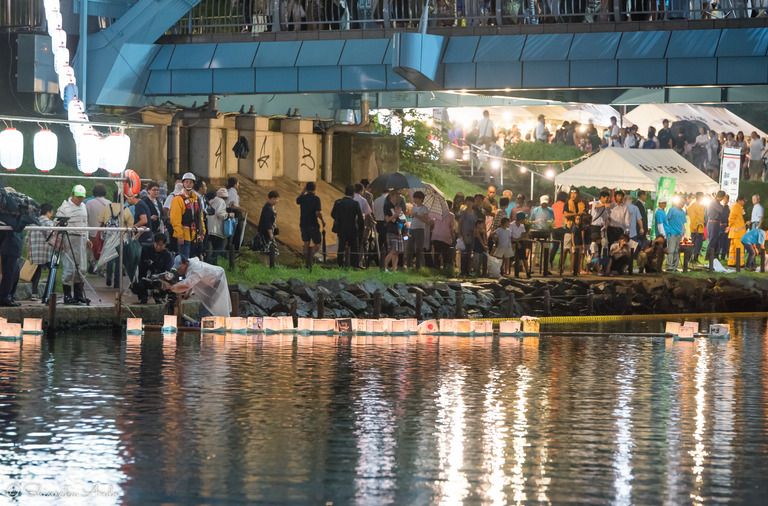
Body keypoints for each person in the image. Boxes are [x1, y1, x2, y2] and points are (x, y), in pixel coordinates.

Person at [55, 185, 92, 305]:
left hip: (81, 239)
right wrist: (60, 240)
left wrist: (86, 238)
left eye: (82, 197)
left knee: (81, 268)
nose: (79, 200)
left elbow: (85, 223)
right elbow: (56, 225)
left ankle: (78, 295)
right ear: (72, 195)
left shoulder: (84, 207)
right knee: (69, 267)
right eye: (77, 197)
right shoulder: (64, 208)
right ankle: (67, 295)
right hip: (69, 238)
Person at [164, 254, 232, 318]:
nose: (178, 270)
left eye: (179, 267)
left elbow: (187, 284)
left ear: (186, 264)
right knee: (207, 307)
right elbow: (193, 282)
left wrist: (171, 287)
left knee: (206, 307)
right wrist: (188, 293)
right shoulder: (191, 266)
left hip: (217, 280)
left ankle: (208, 326)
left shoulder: (195, 269)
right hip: (210, 282)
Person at [99, 191, 135, 289]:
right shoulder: (125, 209)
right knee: (119, 260)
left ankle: (108, 277)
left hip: (109, 237)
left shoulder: (107, 207)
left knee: (110, 258)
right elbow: (130, 224)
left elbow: (100, 219)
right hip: (120, 238)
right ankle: (117, 281)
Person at [170, 172, 206, 258]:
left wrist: (202, 232)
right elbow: (175, 219)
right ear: (183, 183)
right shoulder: (178, 199)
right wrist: (179, 235)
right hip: (184, 234)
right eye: (186, 182)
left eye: (190, 182)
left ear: (193, 184)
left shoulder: (196, 199)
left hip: (194, 235)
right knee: (184, 261)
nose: (188, 184)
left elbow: (200, 217)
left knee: (193, 261)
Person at [132, 233, 174, 304]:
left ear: (165, 244)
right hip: (144, 277)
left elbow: (169, 271)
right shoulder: (145, 249)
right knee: (136, 284)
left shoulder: (168, 255)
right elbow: (134, 245)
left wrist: (166, 281)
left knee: (166, 284)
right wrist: (139, 233)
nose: (158, 247)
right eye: (157, 244)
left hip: (159, 279)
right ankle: (143, 296)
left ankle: (158, 296)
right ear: (153, 242)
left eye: (161, 245)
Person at [26, 203, 54, 300]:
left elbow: (27, 238)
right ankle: (49, 293)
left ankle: (34, 293)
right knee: (52, 270)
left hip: (35, 252)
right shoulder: (49, 223)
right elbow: (52, 237)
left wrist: (29, 250)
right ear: (48, 212)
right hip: (46, 252)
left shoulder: (33, 222)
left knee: (37, 272)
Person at [331, 185, 364, 268]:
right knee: (354, 247)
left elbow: (332, 214)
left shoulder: (338, 202)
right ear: (353, 193)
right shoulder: (355, 203)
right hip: (352, 228)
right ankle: (354, 265)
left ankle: (340, 264)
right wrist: (360, 228)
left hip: (341, 228)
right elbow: (360, 218)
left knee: (341, 247)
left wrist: (339, 219)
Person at [296, 182, 325, 261]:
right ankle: (310, 256)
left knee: (306, 242)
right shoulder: (316, 199)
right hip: (313, 223)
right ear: (315, 189)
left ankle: (305, 259)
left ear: (306, 188)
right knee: (317, 243)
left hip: (303, 223)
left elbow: (297, 201)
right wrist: (322, 220)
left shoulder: (302, 198)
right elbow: (317, 212)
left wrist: (303, 191)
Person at [84, 184, 109, 273]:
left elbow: (86, 217)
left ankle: (91, 261)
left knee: (91, 247)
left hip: (92, 229)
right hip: (104, 231)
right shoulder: (108, 203)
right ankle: (102, 267)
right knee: (103, 248)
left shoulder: (89, 203)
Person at [562, 188, 587, 271]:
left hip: (579, 229)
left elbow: (585, 213)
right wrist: (577, 214)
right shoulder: (567, 203)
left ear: (578, 194)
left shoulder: (582, 203)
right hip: (569, 227)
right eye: (571, 193)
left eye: (575, 193)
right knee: (565, 249)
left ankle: (574, 268)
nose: (573, 195)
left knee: (575, 250)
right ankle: (561, 266)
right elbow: (565, 215)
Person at [383, 188, 405, 272]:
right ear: (392, 196)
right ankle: (384, 267)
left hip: (398, 230)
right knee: (393, 250)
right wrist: (394, 215)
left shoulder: (399, 205)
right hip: (391, 229)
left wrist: (400, 216)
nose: (398, 198)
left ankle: (394, 269)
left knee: (397, 251)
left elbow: (403, 217)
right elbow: (387, 219)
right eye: (396, 196)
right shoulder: (387, 205)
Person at [406, 190, 430, 269]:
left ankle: (418, 266)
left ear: (421, 199)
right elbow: (409, 219)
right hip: (412, 228)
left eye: (416, 198)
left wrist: (418, 216)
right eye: (414, 198)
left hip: (420, 229)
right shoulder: (413, 208)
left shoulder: (424, 208)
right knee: (409, 247)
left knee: (418, 248)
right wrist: (411, 216)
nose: (415, 200)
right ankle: (409, 265)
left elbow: (426, 220)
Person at [206, 188, 230, 263]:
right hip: (217, 230)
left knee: (215, 248)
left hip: (209, 229)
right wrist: (228, 215)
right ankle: (212, 262)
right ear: (225, 197)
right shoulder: (221, 201)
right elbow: (219, 212)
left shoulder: (212, 201)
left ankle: (212, 262)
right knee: (218, 248)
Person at [257, 190, 279, 266]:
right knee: (266, 250)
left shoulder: (271, 207)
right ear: (269, 199)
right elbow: (268, 221)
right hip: (265, 232)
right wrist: (270, 233)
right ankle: (265, 265)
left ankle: (270, 265)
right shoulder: (268, 208)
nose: (276, 201)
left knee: (271, 250)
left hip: (269, 231)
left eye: (277, 199)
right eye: (274, 199)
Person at [431, 200, 455, 270]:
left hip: (435, 236)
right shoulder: (451, 215)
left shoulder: (437, 214)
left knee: (436, 254)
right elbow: (452, 228)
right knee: (445, 255)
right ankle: (445, 269)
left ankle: (436, 268)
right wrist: (453, 238)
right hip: (446, 237)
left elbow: (433, 224)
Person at [666, 197, 686, 272]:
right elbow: (667, 219)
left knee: (677, 250)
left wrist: (684, 233)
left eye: (683, 203)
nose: (682, 204)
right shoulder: (672, 210)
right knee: (671, 249)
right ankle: (668, 265)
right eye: (681, 203)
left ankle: (675, 266)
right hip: (672, 233)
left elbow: (683, 223)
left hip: (679, 233)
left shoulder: (683, 212)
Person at [706, 190, 726, 260]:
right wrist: (723, 205)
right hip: (713, 222)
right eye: (723, 198)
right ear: (721, 197)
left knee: (716, 239)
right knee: (712, 240)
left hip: (716, 222)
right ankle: (708, 256)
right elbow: (721, 210)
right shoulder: (714, 202)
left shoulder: (716, 202)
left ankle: (714, 255)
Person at [728, 195, 747, 267]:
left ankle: (731, 262)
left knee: (733, 248)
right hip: (738, 233)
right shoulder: (736, 208)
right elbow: (731, 218)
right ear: (739, 200)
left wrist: (730, 226)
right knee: (739, 248)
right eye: (743, 201)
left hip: (734, 233)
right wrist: (730, 225)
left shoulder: (737, 208)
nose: (743, 203)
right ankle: (740, 263)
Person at [226, 177, 245, 249]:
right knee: (237, 232)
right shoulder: (232, 192)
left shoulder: (229, 191)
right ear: (235, 184)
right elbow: (231, 205)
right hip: (234, 213)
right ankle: (235, 248)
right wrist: (242, 208)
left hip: (230, 213)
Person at [510, 211, 530, 278]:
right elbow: (510, 236)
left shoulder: (522, 226)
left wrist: (518, 241)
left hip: (519, 240)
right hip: (512, 241)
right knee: (512, 254)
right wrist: (517, 242)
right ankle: (507, 270)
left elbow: (522, 236)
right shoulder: (511, 225)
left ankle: (527, 272)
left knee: (524, 256)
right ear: (521, 219)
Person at [687, 192, 706, 263]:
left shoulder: (700, 205)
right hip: (695, 229)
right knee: (694, 244)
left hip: (700, 228)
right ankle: (691, 258)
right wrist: (695, 227)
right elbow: (692, 218)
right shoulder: (693, 205)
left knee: (699, 244)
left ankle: (696, 258)